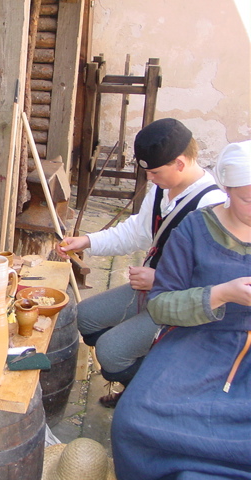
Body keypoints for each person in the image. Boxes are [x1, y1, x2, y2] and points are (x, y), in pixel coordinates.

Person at [57, 118, 227, 407]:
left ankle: (147, 396)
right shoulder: (163, 188)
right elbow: (137, 232)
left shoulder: (211, 205)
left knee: (111, 352)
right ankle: (140, 364)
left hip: (181, 305)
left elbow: (215, 281)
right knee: (84, 316)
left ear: (180, 163)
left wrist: (159, 279)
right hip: (150, 289)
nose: (149, 178)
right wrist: (87, 241)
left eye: (155, 172)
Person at [112, 140, 251, 479]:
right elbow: (160, 305)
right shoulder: (195, 229)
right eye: (249, 198)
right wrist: (220, 294)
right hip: (197, 340)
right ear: (227, 190)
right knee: (133, 420)